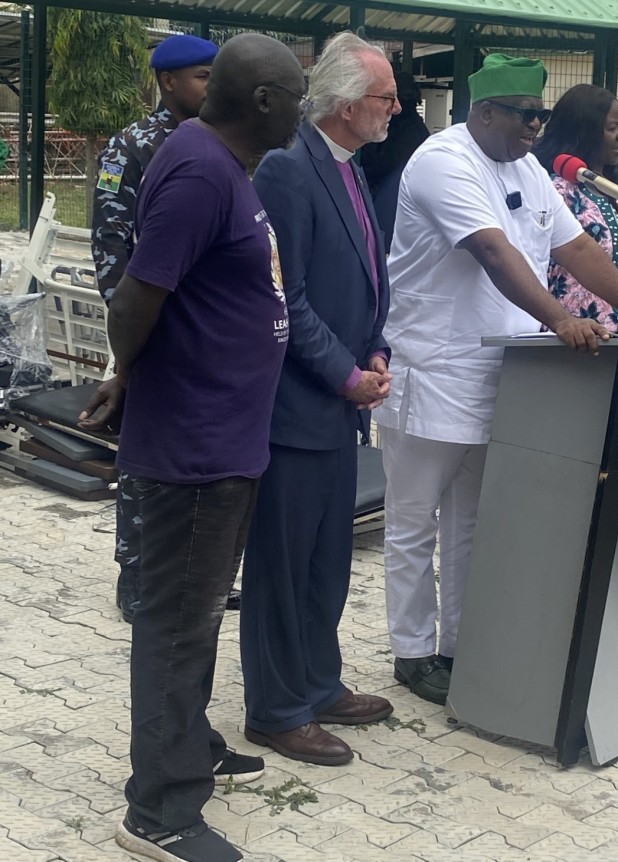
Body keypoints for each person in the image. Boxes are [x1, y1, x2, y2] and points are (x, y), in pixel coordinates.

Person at [373, 54, 618, 705]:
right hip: (435, 369)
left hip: (505, 376)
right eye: (525, 115)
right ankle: (412, 654)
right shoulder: (445, 161)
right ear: (485, 112)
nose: (536, 126)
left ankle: (459, 644)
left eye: (542, 115)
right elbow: (494, 250)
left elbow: (577, 249)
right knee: (415, 520)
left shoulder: (527, 168)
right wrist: (561, 319)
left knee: (473, 519)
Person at [83, 33, 306, 862]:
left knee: (200, 613)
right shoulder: (197, 170)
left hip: (223, 434)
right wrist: (128, 373)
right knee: (176, 622)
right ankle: (162, 810)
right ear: (262, 103)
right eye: (296, 96)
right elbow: (138, 294)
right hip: (192, 443)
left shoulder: (222, 166)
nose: (303, 111)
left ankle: (191, 748)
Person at [240, 31, 394, 769]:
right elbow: (284, 295)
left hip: (341, 410)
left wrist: (378, 352)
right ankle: (274, 710)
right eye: (385, 97)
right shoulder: (286, 171)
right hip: (296, 410)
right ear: (341, 102)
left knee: (327, 562)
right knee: (282, 564)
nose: (397, 107)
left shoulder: (350, 168)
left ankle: (317, 683)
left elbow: (367, 280)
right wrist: (343, 372)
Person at [87, 33, 245, 625]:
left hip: (208, 329)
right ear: (169, 81)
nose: (210, 87)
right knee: (144, 456)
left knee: (202, 456)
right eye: (202, 76)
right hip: (152, 325)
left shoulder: (226, 144)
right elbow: (110, 244)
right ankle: (139, 577)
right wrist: (131, 333)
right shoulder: (133, 147)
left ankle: (203, 574)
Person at [534, 84, 618, 331]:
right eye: (611, 128)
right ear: (584, 131)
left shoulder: (613, 196)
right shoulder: (557, 193)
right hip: (571, 339)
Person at [360, 70, 430, 251]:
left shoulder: (412, 132)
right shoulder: (409, 127)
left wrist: (363, 144)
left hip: (391, 210)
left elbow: (382, 166)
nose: (394, 107)